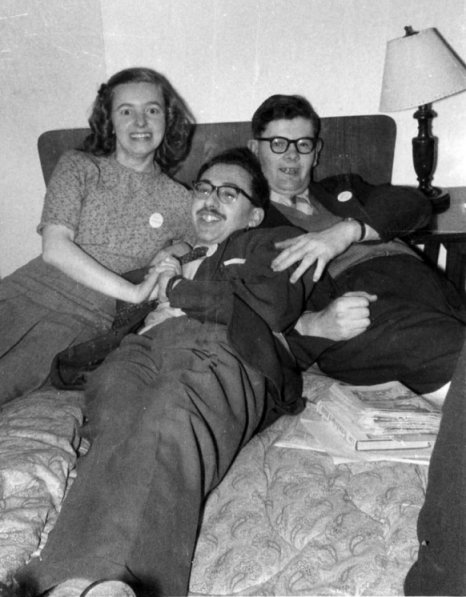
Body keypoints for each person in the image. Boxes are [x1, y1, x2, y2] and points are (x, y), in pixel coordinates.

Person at [16, 147, 313, 597]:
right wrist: (156, 273)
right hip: (139, 347)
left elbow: (272, 306)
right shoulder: (167, 254)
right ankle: (62, 582)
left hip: (218, 343)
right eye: (204, 189)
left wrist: (177, 286)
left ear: (254, 215)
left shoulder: (269, 242)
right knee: (114, 432)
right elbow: (109, 306)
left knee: (170, 420)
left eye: (228, 193)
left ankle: (110, 583)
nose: (210, 200)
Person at [248, 94, 466, 402]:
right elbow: (246, 303)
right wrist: (310, 324)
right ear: (254, 149)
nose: (292, 155)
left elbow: (415, 204)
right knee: (450, 348)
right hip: (363, 305)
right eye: (278, 144)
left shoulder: (343, 187)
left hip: (426, 290)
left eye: (303, 144)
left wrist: (348, 231)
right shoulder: (252, 221)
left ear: (316, 152)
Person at [0, 67, 195, 405]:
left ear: (168, 118)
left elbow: (204, 249)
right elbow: (54, 248)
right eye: (126, 111)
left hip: (82, 320)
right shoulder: (79, 166)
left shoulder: (182, 200)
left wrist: (178, 250)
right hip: (25, 292)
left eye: (152, 110)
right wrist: (134, 292)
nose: (140, 122)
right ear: (110, 121)